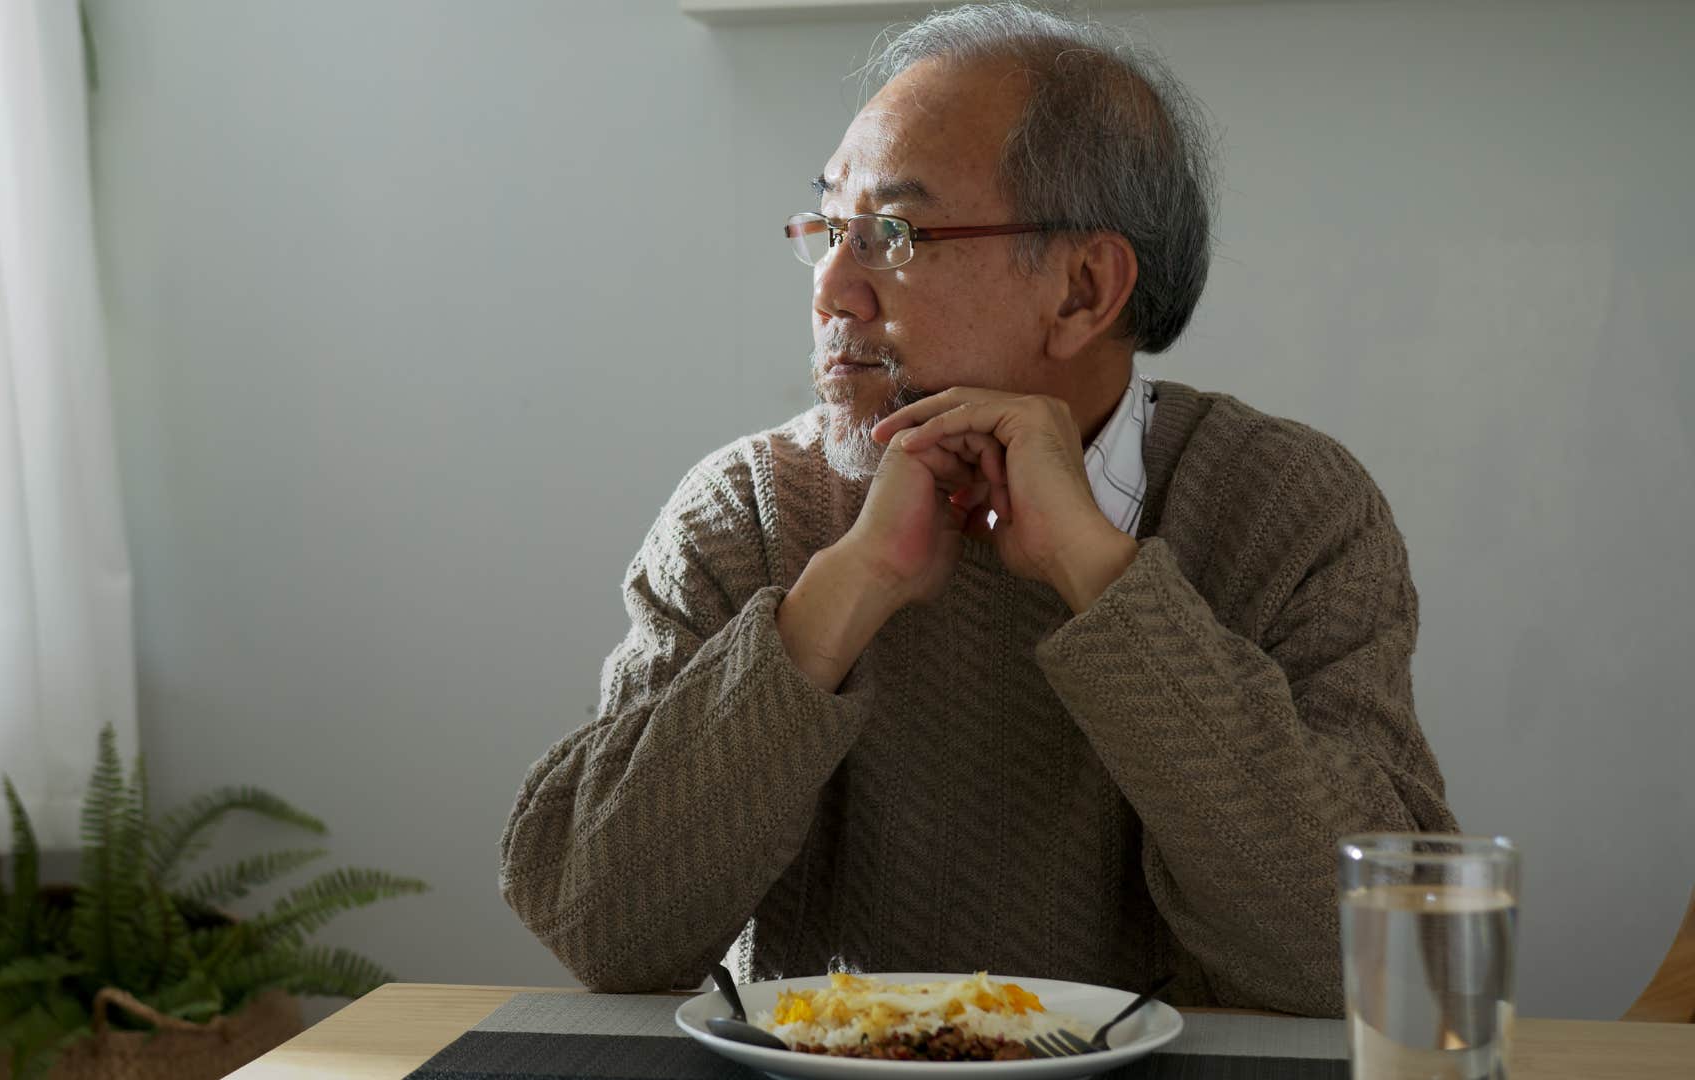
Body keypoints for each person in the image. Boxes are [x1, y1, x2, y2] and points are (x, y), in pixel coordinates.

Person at [497, 1, 1457, 1017]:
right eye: (828, 226)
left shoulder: (1289, 511)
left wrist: (1104, 581)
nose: (832, 289)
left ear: (1084, 290)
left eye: (894, 235)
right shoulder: (743, 511)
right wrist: (834, 604)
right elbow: (597, 926)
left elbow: (1378, 953)